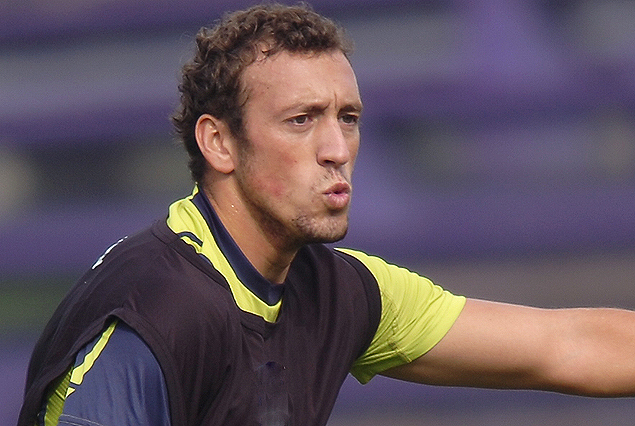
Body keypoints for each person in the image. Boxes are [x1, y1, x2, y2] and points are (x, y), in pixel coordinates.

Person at [18, 3, 635, 426]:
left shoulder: (340, 291)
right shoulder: (154, 314)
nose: (337, 148)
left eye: (348, 118)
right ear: (219, 143)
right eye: (301, 120)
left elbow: (566, 346)